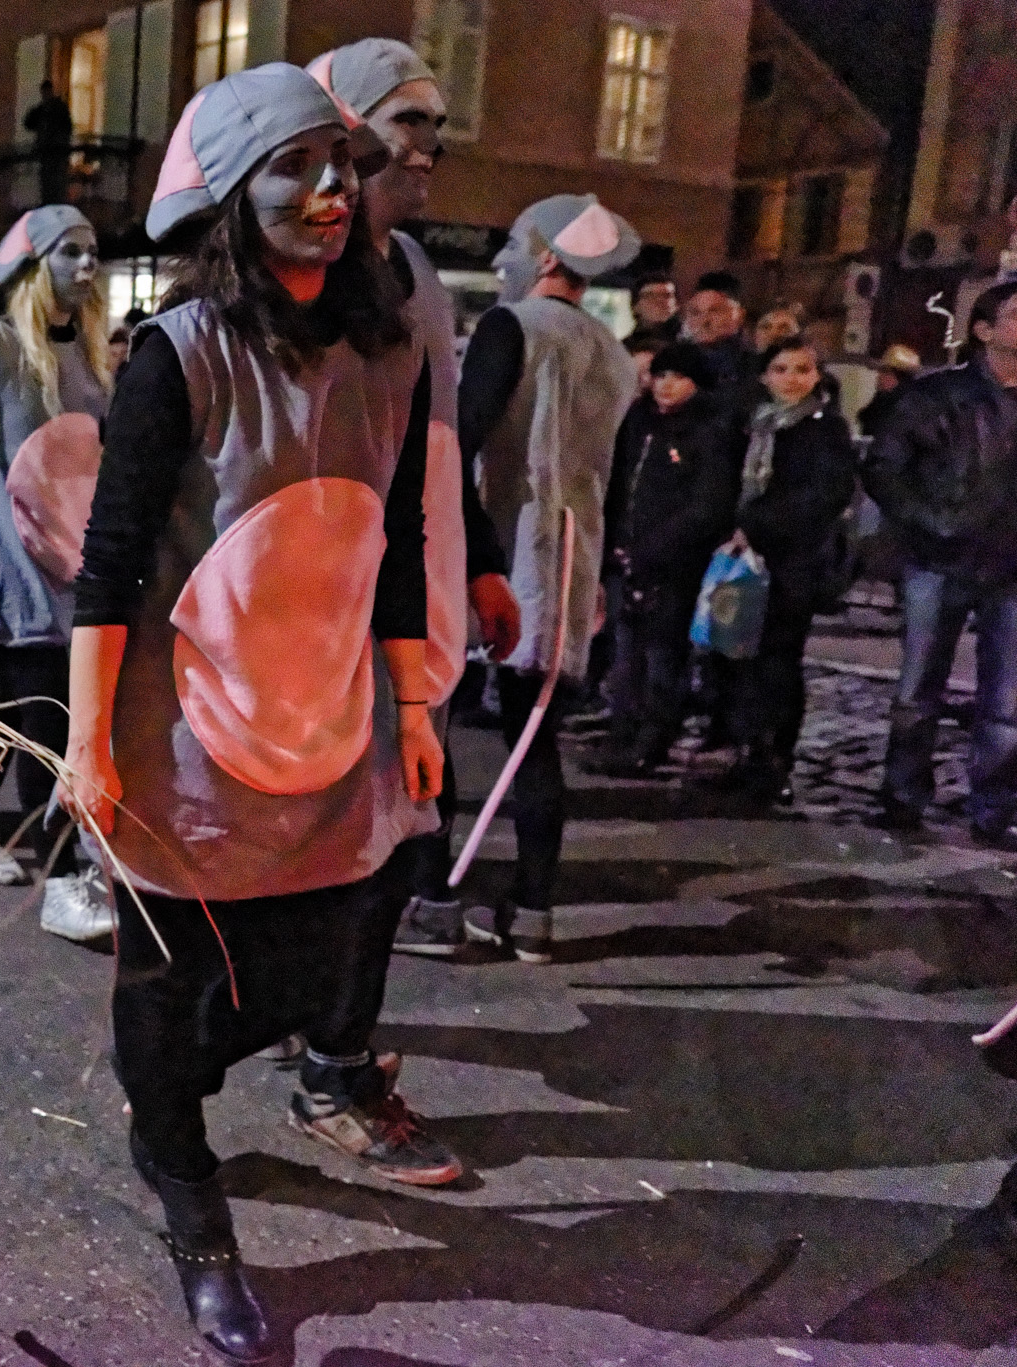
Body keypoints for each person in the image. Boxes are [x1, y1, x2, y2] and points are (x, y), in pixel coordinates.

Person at [64, 64, 440, 1364]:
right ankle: (189, 1193)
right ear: (235, 191)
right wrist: (85, 735)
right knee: (171, 988)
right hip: (184, 734)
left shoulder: (394, 350)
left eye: (343, 164)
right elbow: (109, 563)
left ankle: (180, 1099)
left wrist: (412, 696)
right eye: (297, 166)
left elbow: (400, 540)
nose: (332, 191)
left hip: (331, 725)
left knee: (314, 968)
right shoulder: (178, 356)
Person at [307, 39, 524, 973]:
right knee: (318, 821)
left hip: (408, 589)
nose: (430, 145)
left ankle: (334, 1039)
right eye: (410, 122)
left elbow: (437, 444)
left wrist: (477, 561)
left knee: (394, 817)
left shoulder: (423, 277)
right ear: (347, 128)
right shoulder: (304, 269)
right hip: (319, 602)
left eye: (438, 127)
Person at [458, 193, 642, 963]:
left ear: (542, 257)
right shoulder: (616, 351)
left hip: (504, 550)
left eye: (509, 242)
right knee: (536, 739)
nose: (499, 258)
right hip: (576, 557)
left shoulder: (512, 328)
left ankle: (435, 894)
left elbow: (457, 441)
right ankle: (534, 908)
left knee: (450, 722)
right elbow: (619, 479)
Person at [0, 204, 118, 939]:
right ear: (33, 266)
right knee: (43, 715)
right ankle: (66, 873)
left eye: (92, 253)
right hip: (12, 564)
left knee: (30, 716)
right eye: (70, 252)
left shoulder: (90, 353)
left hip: (74, 560)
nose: (87, 266)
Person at [865, 281, 1017, 844]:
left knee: (1006, 703)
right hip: (938, 561)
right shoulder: (936, 395)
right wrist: (933, 518)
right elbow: (883, 466)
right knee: (916, 690)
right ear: (983, 329)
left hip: (1011, 571)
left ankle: (994, 811)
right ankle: (903, 796)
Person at [717, 334, 858, 803]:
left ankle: (775, 760)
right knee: (735, 656)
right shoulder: (752, 426)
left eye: (802, 369)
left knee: (778, 663)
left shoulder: (826, 430)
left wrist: (751, 525)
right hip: (741, 560)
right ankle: (744, 749)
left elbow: (820, 496)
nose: (791, 380)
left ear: (817, 376)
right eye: (781, 370)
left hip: (792, 565)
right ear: (764, 376)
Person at [587, 342, 738, 776]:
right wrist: (616, 540)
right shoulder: (639, 420)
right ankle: (623, 735)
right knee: (626, 653)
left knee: (662, 656)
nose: (665, 386)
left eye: (677, 377)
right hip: (628, 556)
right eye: (660, 375)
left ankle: (651, 740)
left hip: (674, 564)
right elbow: (619, 482)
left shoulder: (709, 428)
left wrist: (656, 548)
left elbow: (707, 505)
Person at [682, 269, 752, 391]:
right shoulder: (676, 361)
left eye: (715, 311)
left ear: (739, 315)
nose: (704, 321)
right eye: (695, 313)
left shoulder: (754, 365)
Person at [22, 78, 74, 206]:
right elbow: (28, 123)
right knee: (48, 181)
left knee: (55, 181)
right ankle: (50, 203)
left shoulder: (58, 108)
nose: (45, 95)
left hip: (56, 152)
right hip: (47, 152)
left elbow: (67, 128)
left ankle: (54, 203)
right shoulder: (43, 109)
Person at [857, 342, 922, 438]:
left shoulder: (896, 407)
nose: (879, 376)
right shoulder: (883, 400)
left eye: (883, 371)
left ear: (894, 375)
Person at [629, 272, 680, 346]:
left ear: (677, 305)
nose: (659, 301)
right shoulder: (623, 349)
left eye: (666, 295)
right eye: (650, 295)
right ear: (635, 306)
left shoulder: (687, 347)